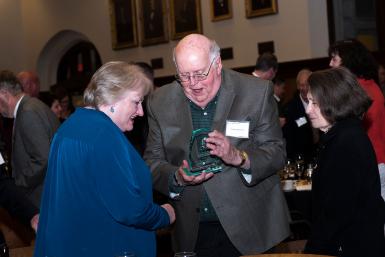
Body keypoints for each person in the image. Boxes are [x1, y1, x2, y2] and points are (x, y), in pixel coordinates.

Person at [144, 34, 290, 256]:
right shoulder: (159, 101)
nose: (194, 84)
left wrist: (238, 157)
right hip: (193, 232)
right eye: (184, 76)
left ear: (218, 63)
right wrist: (177, 177)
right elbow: (152, 163)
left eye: (200, 74)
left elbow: (276, 152)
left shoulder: (255, 92)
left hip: (251, 226)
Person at [34, 61, 175, 257]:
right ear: (112, 96)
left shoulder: (71, 126)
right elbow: (129, 210)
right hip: (106, 246)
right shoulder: (104, 135)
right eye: (136, 102)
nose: (141, 112)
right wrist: (165, 214)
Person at [303, 67, 385, 257]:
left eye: (314, 103)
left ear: (334, 102)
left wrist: (311, 252)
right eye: (308, 102)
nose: (308, 110)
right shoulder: (342, 135)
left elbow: (336, 213)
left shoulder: (346, 142)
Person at [329, 39, 385, 201]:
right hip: (373, 160)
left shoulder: (358, 91)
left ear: (347, 61)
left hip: (371, 162)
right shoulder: (368, 85)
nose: (330, 63)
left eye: (334, 59)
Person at [0, 70, 60, 207]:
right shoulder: (31, 106)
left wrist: (19, 183)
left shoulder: (28, 112)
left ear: (4, 94)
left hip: (41, 195)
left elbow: (43, 158)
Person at [282, 69, 318, 163]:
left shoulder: (321, 103)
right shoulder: (289, 109)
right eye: (302, 85)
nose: (305, 88)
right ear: (298, 86)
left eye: (308, 84)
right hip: (300, 160)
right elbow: (289, 140)